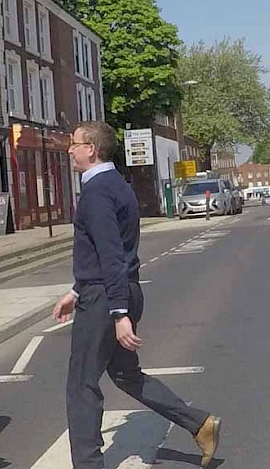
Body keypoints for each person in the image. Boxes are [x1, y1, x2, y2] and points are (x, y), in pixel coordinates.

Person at [52, 122, 221, 469]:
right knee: (126, 375)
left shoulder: (97, 192)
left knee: (81, 385)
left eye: (75, 143)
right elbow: (109, 253)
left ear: (92, 149)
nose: (70, 149)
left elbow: (112, 254)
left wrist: (117, 312)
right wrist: (76, 289)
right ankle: (198, 423)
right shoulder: (117, 185)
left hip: (106, 299)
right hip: (116, 289)